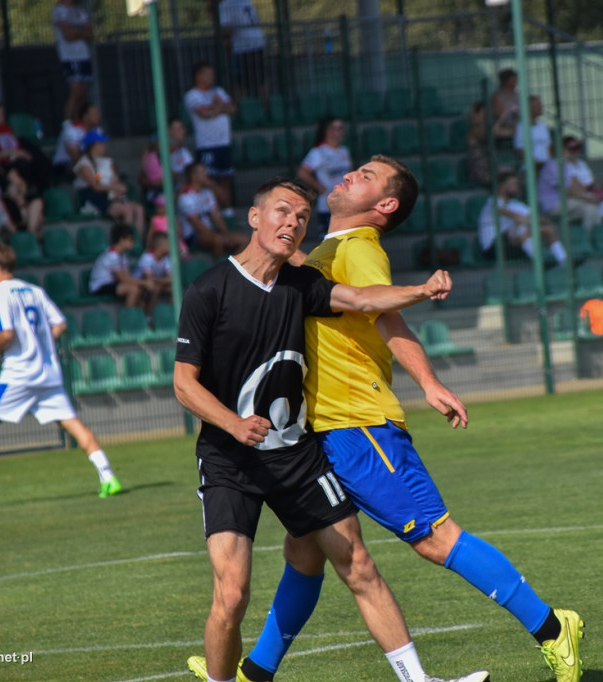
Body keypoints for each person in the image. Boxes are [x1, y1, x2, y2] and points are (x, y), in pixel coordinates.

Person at [238, 156, 583, 682]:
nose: (351, 173)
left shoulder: (360, 248)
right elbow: (364, 304)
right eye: (355, 167)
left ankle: (553, 628)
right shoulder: (333, 249)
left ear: (385, 206)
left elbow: (383, 307)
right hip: (320, 433)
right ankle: (253, 673)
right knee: (304, 550)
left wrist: (428, 377)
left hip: (359, 427)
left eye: (367, 175)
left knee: (434, 538)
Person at [175, 177, 485, 682]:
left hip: (295, 456)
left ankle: (418, 681)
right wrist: (233, 424)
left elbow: (364, 299)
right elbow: (184, 384)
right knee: (232, 594)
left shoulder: (302, 287)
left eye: (301, 217)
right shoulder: (209, 289)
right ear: (255, 218)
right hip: (230, 460)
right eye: (281, 211)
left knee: (358, 564)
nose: (292, 223)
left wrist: (421, 290)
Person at [0, 243, 122, 514]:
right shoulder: (35, 291)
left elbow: (7, 334)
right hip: (47, 372)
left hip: (20, 372)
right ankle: (108, 476)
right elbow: (60, 323)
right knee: (72, 424)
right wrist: (41, 344)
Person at [478, 171, 567, 266]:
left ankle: (564, 261)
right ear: (503, 187)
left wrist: (545, 226)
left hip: (514, 246)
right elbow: (515, 217)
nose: (517, 187)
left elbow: (538, 218)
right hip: (494, 249)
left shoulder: (516, 204)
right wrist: (533, 223)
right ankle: (540, 264)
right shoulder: (492, 203)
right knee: (521, 226)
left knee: (547, 230)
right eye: (513, 184)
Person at [538, 135, 603, 232]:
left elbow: (575, 186)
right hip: (553, 204)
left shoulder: (564, 165)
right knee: (591, 206)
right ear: (560, 150)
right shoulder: (553, 165)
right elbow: (567, 191)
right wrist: (587, 198)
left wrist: (589, 196)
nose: (572, 152)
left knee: (591, 208)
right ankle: (589, 238)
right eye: (568, 149)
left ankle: (595, 238)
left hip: (566, 201)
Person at [183, 62, 237, 212]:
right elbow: (204, 113)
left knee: (226, 178)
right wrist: (219, 107)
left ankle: (228, 213)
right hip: (207, 145)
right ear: (198, 76)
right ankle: (215, 213)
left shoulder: (218, 91)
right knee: (210, 180)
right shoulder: (192, 95)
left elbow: (232, 109)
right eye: (207, 73)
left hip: (224, 144)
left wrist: (214, 108)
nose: (211, 76)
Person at [73, 129, 146, 238]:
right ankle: (125, 241)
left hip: (112, 196)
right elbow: (95, 186)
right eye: (101, 143)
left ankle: (136, 242)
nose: (104, 146)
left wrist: (119, 187)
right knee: (127, 211)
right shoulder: (84, 163)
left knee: (139, 209)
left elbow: (115, 180)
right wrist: (114, 187)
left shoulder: (108, 161)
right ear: (93, 145)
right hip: (95, 198)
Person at [177, 161, 248, 259]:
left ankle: (234, 268)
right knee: (218, 240)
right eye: (202, 172)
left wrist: (227, 234)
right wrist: (219, 237)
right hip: (193, 236)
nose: (206, 174)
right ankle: (219, 269)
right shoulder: (186, 196)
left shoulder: (207, 192)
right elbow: (196, 224)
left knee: (244, 240)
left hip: (211, 231)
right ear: (193, 176)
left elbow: (217, 217)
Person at [297, 116, 352, 237]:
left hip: (346, 205)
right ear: (328, 131)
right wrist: (321, 188)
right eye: (338, 128)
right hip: (328, 207)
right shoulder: (318, 152)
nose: (342, 131)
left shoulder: (344, 151)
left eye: (342, 128)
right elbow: (302, 172)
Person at [88, 223, 156, 312]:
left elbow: (128, 277)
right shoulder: (112, 255)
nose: (133, 243)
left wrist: (143, 284)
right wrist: (145, 282)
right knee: (133, 289)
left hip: (112, 284)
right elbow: (123, 279)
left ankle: (140, 316)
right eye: (130, 240)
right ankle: (128, 319)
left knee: (140, 288)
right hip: (100, 286)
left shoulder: (122, 255)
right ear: (121, 240)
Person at [51, 0, 95, 122]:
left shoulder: (79, 11)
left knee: (83, 93)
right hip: (70, 57)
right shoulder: (59, 10)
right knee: (75, 92)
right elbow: (68, 35)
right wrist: (81, 31)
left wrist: (76, 31)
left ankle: (79, 123)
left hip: (84, 56)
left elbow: (91, 34)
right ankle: (68, 124)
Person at [217, 0, 268, 103]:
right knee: (261, 80)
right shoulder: (245, 1)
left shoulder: (226, 4)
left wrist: (226, 46)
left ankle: (241, 110)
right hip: (258, 42)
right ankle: (266, 110)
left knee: (238, 82)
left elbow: (226, 29)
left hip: (243, 46)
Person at [465, 100, 514, 187]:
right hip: (480, 170)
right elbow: (492, 133)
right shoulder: (474, 131)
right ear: (475, 115)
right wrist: (503, 116)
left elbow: (510, 132)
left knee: (511, 173)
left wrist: (514, 118)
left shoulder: (489, 128)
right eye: (483, 113)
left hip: (491, 167)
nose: (486, 116)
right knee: (506, 176)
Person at [52, 101, 101, 176]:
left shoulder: (97, 130)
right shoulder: (71, 129)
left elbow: (101, 151)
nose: (98, 116)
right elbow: (75, 156)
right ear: (85, 116)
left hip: (85, 162)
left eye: (98, 113)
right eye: (94, 114)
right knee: (86, 167)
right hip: (64, 163)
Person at [514, 94, 551, 172]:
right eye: (537, 105)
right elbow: (522, 153)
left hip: (547, 167)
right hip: (529, 169)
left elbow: (549, 150)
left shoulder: (543, 127)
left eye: (541, 105)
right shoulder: (521, 128)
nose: (541, 107)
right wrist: (537, 163)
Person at [137, 231, 173, 304]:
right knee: (154, 288)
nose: (170, 246)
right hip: (140, 282)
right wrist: (164, 280)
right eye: (167, 244)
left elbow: (172, 279)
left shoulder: (166, 258)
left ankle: (173, 313)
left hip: (156, 282)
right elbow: (150, 279)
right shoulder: (147, 257)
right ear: (159, 246)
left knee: (174, 288)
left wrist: (159, 280)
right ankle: (149, 315)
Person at [490, 67, 520, 148]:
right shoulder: (498, 96)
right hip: (503, 128)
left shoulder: (517, 95)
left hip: (517, 126)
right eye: (513, 80)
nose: (516, 82)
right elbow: (501, 117)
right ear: (506, 81)